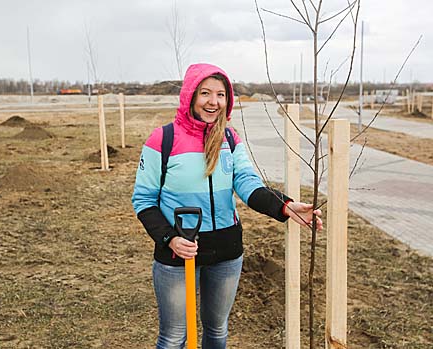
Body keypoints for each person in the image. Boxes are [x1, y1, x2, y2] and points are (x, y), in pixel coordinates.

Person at [132, 63, 322, 349]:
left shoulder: (230, 139)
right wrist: (170, 239)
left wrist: (285, 206)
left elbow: (248, 183)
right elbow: (144, 200)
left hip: (226, 251)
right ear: (190, 96)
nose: (213, 101)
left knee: (217, 330)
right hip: (178, 254)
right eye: (205, 93)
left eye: (220, 95)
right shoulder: (164, 139)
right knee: (173, 338)